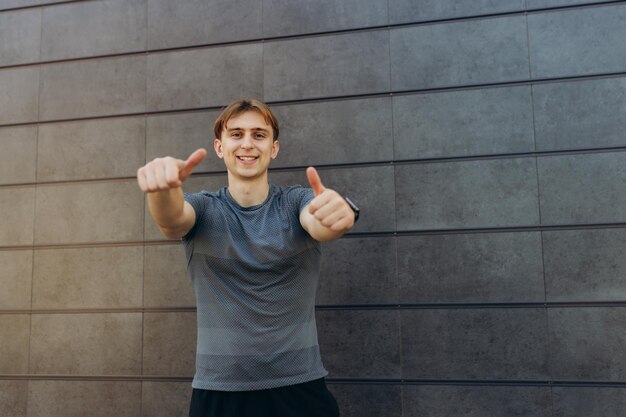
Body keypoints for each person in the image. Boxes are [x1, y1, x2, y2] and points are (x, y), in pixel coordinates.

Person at [136, 98, 359, 417]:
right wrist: (162, 190)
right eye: (236, 134)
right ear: (219, 146)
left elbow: (318, 220)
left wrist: (338, 215)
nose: (247, 144)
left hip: (300, 392)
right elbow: (171, 220)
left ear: (274, 147)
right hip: (219, 395)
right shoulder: (203, 209)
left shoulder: (296, 201)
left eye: (259, 134)